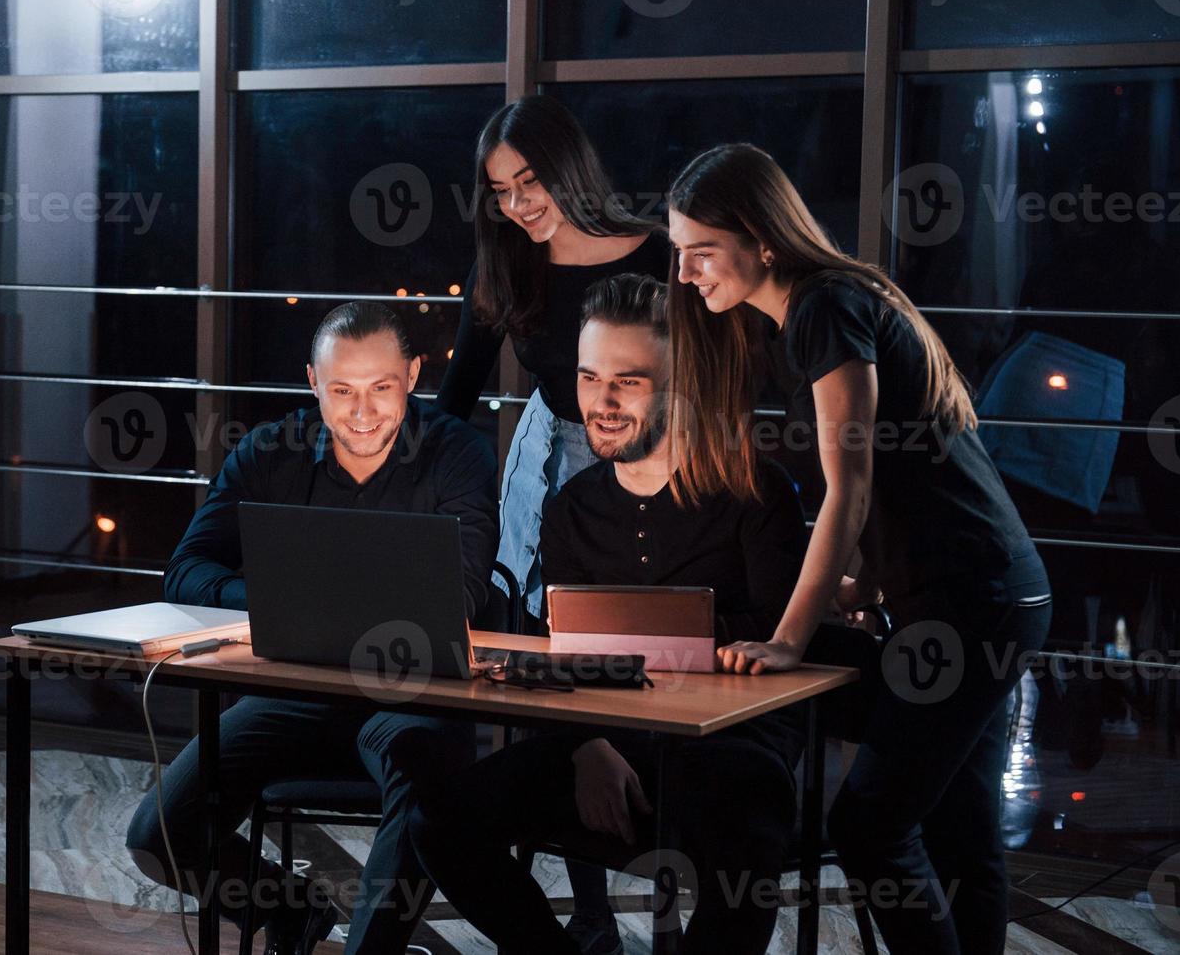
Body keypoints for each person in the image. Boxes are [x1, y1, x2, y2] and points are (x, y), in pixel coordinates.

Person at [667, 143, 1052, 954]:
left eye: (700, 251)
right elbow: (911, 489)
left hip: (972, 602)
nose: (686, 273)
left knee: (872, 826)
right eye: (679, 253)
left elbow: (851, 488)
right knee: (959, 833)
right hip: (990, 592)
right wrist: (861, 586)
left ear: (759, 238)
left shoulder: (821, 308)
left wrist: (786, 637)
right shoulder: (825, 305)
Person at [411, 273, 808, 954]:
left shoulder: (755, 492)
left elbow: (778, 665)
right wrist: (587, 747)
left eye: (629, 380)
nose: (603, 400)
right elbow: (565, 654)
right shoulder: (569, 508)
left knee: (743, 819)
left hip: (731, 748)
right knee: (439, 822)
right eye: (591, 378)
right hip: (611, 739)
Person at [125, 302, 498, 955]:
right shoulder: (272, 449)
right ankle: (291, 910)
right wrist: (276, 601)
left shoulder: (458, 453)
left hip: (409, 693)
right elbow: (185, 570)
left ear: (412, 375)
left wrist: (312, 598)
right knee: (159, 833)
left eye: (381, 388)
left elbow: (460, 594)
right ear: (311, 381)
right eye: (340, 390)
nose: (360, 412)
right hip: (291, 694)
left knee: (418, 777)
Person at [433, 94, 669, 953]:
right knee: (548, 652)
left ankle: (659, 843)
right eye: (500, 190)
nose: (518, 205)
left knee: (639, 648)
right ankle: (591, 914)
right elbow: (457, 393)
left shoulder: (660, 253)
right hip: (547, 463)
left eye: (529, 182)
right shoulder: (508, 264)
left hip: (650, 452)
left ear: (570, 169)